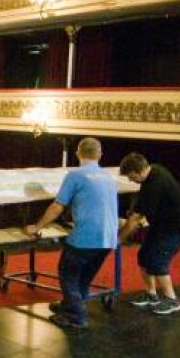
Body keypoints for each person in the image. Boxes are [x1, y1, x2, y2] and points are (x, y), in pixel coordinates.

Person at [25, 137, 119, 329]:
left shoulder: (75, 175)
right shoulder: (108, 176)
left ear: (78, 154)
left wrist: (37, 226)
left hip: (86, 238)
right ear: (100, 155)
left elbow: (58, 206)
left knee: (68, 274)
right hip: (109, 238)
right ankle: (70, 306)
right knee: (83, 277)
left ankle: (77, 316)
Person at [118, 152, 180, 315]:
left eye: (132, 177)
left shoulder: (155, 183)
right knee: (144, 256)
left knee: (157, 262)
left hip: (176, 229)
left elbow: (136, 219)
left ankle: (172, 300)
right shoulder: (155, 170)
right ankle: (151, 295)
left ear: (141, 171)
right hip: (161, 225)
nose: (131, 181)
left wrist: (118, 240)